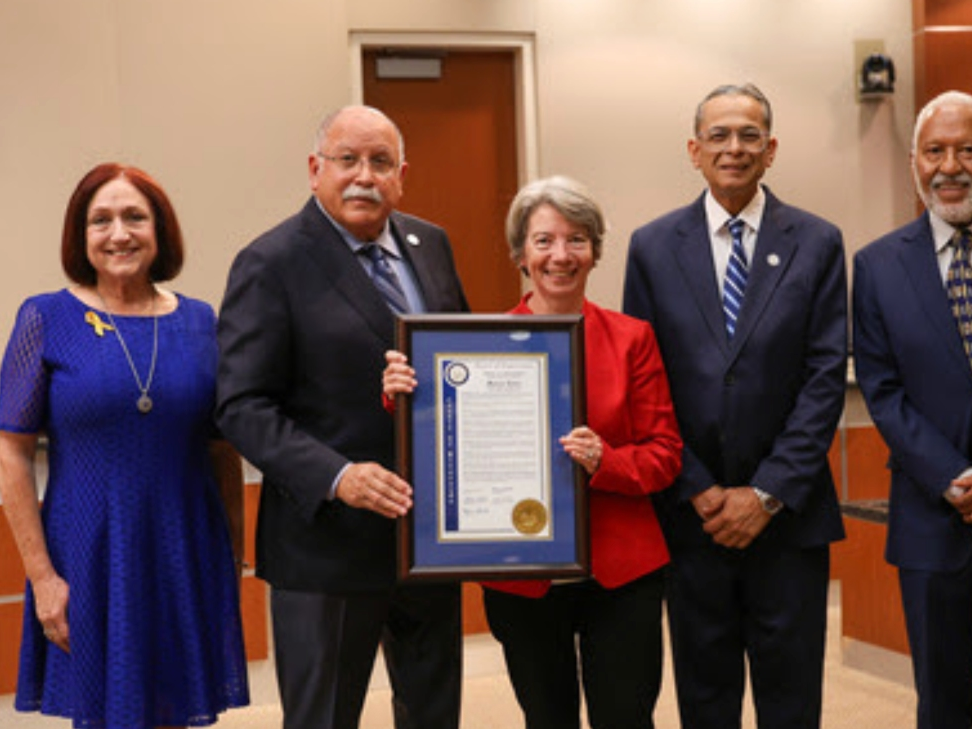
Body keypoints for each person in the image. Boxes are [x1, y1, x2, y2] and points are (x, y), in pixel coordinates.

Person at [384, 175, 683, 729]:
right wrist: (401, 394)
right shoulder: (471, 347)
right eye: (543, 241)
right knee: (546, 719)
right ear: (520, 253)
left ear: (595, 251)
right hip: (521, 574)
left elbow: (665, 456)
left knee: (627, 717)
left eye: (577, 239)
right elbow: (437, 449)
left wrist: (606, 462)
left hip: (621, 573)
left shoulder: (632, 337)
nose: (560, 255)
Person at [215, 105, 469, 729]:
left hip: (430, 544)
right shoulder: (269, 261)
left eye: (380, 162)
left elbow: (459, 362)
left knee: (434, 715)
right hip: (325, 550)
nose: (364, 176)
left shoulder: (429, 244)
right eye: (347, 160)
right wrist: (337, 476)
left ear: (401, 174)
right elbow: (242, 405)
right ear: (314, 170)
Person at [622, 83, 847, 729]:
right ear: (694, 150)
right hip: (693, 519)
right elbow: (645, 380)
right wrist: (698, 487)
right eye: (718, 135)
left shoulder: (817, 241)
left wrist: (767, 491)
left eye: (749, 134)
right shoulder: (653, 245)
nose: (734, 147)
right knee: (706, 697)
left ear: (771, 149)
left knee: (791, 698)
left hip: (789, 519)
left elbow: (824, 377)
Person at [0, 163, 250, 729]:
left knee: (174, 711)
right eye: (101, 220)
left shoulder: (199, 321)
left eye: (135, 217)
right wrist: (42, 577)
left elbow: (221, 449)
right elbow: (10, 452)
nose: (119, 233)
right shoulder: (46, 318)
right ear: (80, 235)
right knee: (106, 713)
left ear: (160, 229)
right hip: (87, 555)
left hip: (184, 548)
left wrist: (231, 558)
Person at [852, 90, 972, 729]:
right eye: (935, 151)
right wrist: (955, 477)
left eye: (967, 148)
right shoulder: (876, 267)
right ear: (913, 164)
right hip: (933, 520)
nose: (950, 165)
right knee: (944, 703)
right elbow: (882, 388)